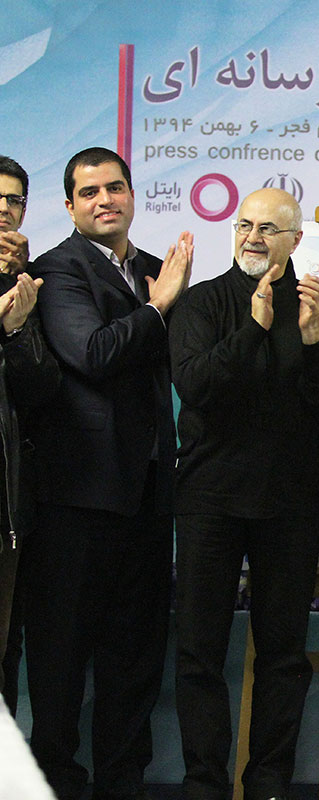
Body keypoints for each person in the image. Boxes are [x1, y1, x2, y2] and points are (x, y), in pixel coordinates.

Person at [169, 188, 319, 800]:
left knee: (284, 655)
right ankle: (203, 783)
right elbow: (197, 385)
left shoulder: (317, 305)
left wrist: (313, 338)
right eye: (244, 225)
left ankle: (269, 781)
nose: (252, 237)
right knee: (199, 652)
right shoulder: (202, 302)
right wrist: (253, 329)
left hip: (288, 505)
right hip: (209, 501)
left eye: (267, 228)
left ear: (295, 240)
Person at [24, 147, 192, 800]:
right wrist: (159, 306)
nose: (105, 200)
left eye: (114, 188)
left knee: (135, 662)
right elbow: (92, 353)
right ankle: (56, 786)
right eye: (89, 192)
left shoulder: (153, 269)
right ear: (69, 205)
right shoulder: (56, 270)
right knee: (62, 664)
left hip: (148, 497)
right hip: (77, 501)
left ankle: (122, 786)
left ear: (131, 195)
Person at [0, 155, 60, 712]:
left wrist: (17, 329)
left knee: (5, 648)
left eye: (13, 200)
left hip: (10, 505)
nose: (3, 210)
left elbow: (42, 389)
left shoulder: (27, 283)